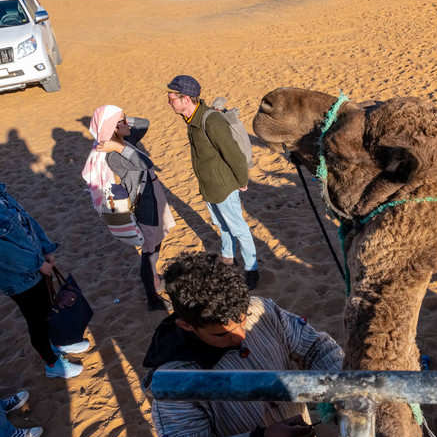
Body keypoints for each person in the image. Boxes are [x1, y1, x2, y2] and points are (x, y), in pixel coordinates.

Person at [142, 251, 344, 437]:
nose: (241, 336)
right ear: (186, 325)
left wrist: (339, 385)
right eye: (221, 334)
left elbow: (315, 346)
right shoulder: (175, 385)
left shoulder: (261, 311)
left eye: (241, 319)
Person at [166, 75, 259, 290]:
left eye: (172, 99)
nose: (169, 102)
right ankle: (227, 256)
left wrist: (242, 180)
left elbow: (233, 153)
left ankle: (252, 268)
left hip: (224, 186)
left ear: (186, 99)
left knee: (238, 228)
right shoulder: (191, 120)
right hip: (209, 187)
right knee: (221, 224)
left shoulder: (211, 121)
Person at [82, 105, 176, 311]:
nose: (127, 124)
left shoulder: (122, 142)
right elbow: (145, 164)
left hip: (153, 195)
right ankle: (153, 297)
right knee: (150, 250)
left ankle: (154, 278)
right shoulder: (113, 153)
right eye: (121, 122)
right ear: (113, 128)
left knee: (156, 242)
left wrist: (119, 118)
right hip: (145, 201)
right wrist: (116, 146)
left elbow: (144, 124)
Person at [0, 184, 86, 378]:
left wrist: (46, 248)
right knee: (36, 320)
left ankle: (58, 343)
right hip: (18, 277)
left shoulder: (2, 193)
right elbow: (5, 253)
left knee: (48, 308)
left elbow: (27, 221)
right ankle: (52, 363)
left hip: (35, 264)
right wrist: (38, 264)